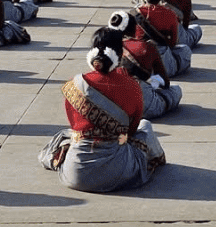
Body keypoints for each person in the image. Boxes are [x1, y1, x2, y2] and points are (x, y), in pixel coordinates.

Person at [39, 29, 166, 193]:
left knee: (63, 136)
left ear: (92, 54)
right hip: (118, 172)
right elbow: (131, 130)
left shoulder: (76, 83)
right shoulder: (132, 86)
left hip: (76, 175)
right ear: (120, 55)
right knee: (145, 127)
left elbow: (75, 125)